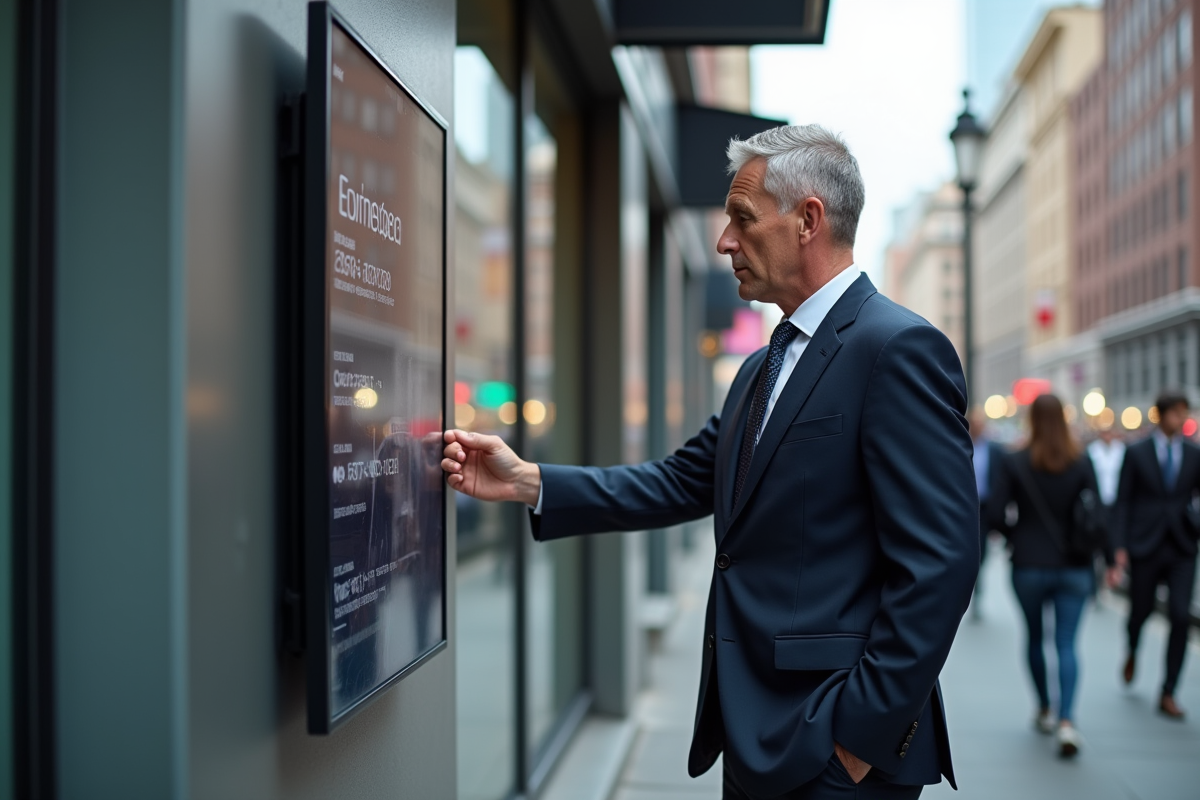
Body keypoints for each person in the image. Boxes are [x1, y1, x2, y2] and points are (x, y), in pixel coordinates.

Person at [442, 125, 979, 799]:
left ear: (808, 219)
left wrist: (857, 739)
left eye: (743, 219)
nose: (725, 240)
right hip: (755, 730)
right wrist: (528, 481)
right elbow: (680, 480)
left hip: (834, 749)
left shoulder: (897, 349)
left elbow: (941, 562)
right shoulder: (762, 365)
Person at [987, 393, 1108, 758]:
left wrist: (1016, 537)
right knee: (1068, 643)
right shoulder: (1080, 460)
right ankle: (1067, 720)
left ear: (1032, 420)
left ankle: (1043, 708)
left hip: (1028, 564)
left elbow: (994, 514)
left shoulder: (1015, 460)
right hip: (1073, 565)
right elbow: (1098, 514)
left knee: (1035, 638)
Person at [1112, 390, 1200, 720]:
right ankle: (1133, 648)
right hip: (1145, 544)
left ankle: (1168, 691)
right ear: (1160, 415)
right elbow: (1123, 501)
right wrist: (1119, 547)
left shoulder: (1193, 453)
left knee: (1180, 615)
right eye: (1176, 413)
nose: (1182, 419)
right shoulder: (1136, 452)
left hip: (1182, 546)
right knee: (1141, 611)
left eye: (1185, 413)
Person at [968, 407, 1007, 619]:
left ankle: (978, 588)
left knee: (982, 552)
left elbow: (1000, 481)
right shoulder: (960, 445)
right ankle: (972, 589)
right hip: (965, 507)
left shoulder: (995, 450)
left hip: (986, 507)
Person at [1087, 427, 1126, 510]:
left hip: (1117, 495)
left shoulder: (1120, 448)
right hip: (1098, 495)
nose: (1106, 436)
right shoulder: (1093, 450)